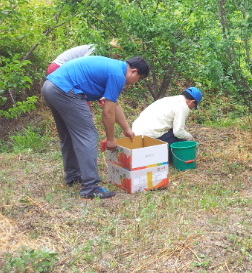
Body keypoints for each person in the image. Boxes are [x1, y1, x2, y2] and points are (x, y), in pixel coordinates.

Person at [42, 56, 150, 199]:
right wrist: (111, 139)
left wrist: (126, 129)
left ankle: (73, 176)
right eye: (139, 78)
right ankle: (90, 188)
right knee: (88, 135)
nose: (136, 82)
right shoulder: (118, 75)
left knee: (68, 135)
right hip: (65, 90)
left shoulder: (114, 68)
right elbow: (108, 112)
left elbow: (114, 105)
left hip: (50, 86)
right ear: (134, 72)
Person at [131, 87, 202, 145]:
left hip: (136, 133)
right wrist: (190, 138)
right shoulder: (183, 106)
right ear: (192, 102)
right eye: (194, 106)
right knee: (181, 142)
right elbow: (178, 132)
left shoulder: (169, 99)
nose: (192, 108)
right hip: (149, 136)